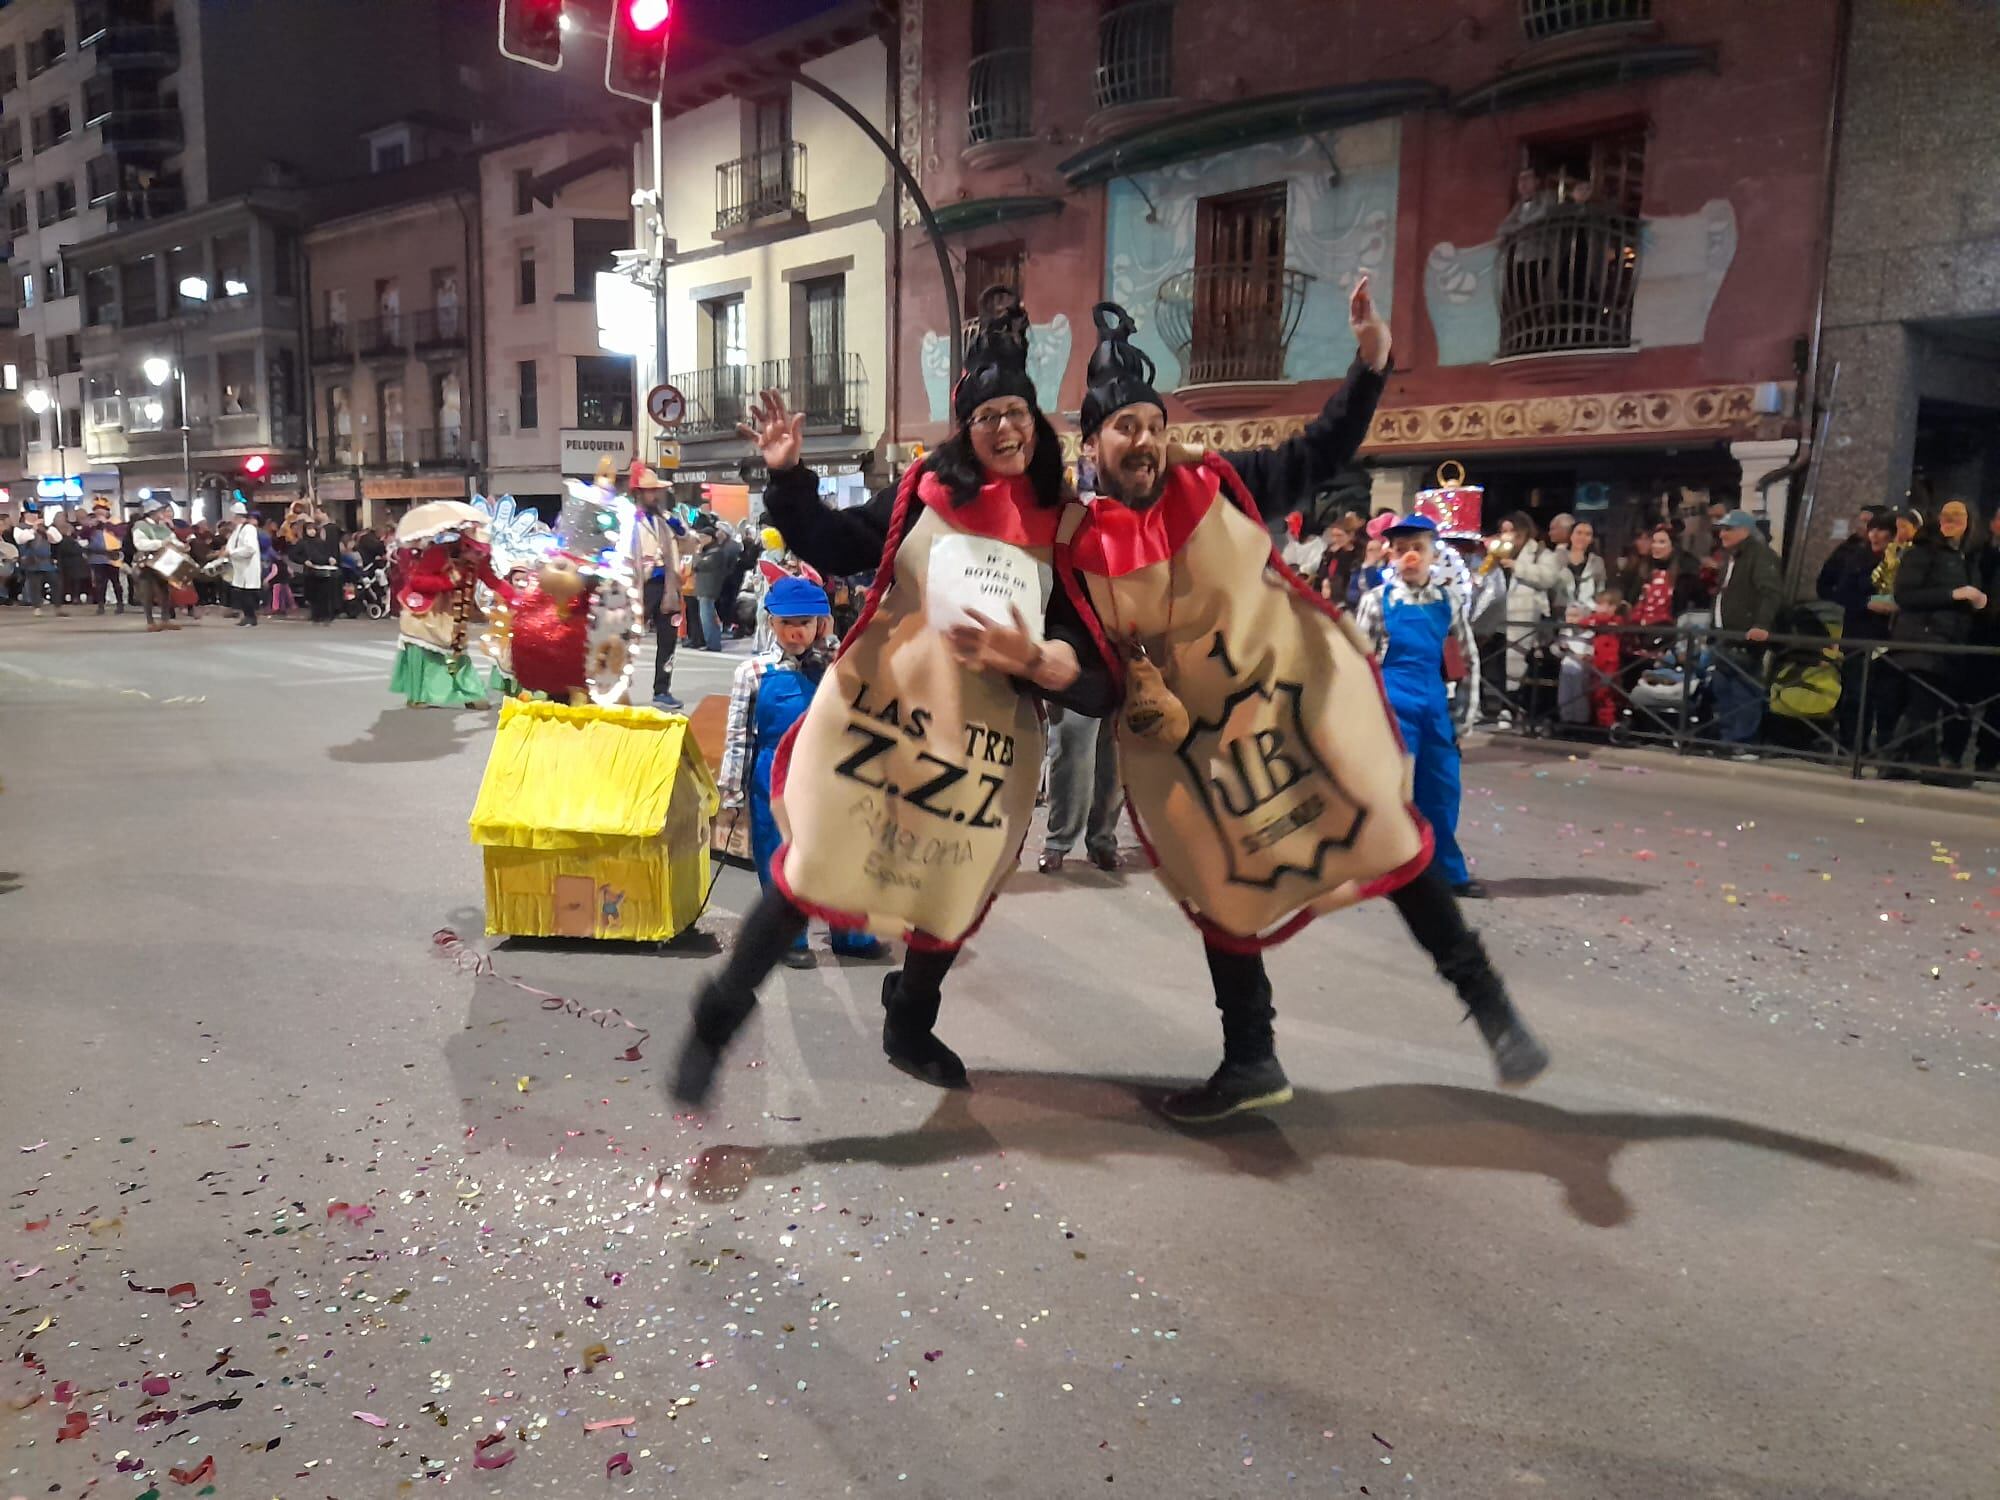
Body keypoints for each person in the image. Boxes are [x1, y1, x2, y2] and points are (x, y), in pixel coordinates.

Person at [1066, 286, 1547, 1121]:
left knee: (1384, 834)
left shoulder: (1219, 485)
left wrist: (1369, 365)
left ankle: (1491, 1004)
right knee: (1218, 887)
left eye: (1152, 425)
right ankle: (1251, 1058)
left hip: (1280, 711)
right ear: (1093, 440)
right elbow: (1084, 666)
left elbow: (1320, 451)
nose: (1142, 441)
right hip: (1190, 750)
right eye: (1124, 428)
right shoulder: (1074, 543)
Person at [672, 288, 1116, 1108]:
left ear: (1035, 419)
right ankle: (718, 1015)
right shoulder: (923, 492)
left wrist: (1045, 660)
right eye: (987, 418)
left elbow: (1098, 666)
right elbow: (837, 545)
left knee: (955, 888)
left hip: (980, 746)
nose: (1005, 430)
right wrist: (787, 476)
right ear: (966, 429)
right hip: (882, 716)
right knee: (813, 867)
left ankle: (910, 1018)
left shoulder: (1062, 522)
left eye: (1016, 412)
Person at [719, 573, 891, 968]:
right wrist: (732, 793)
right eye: (787, 623)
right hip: (771, 778)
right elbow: (739, 736)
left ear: (821, 623)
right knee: (780, 856)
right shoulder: (753, 673)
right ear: (771, 623)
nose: (796, 632)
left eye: (806, 623)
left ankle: (851, 933)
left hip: (831, 776)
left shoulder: (838, 665)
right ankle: (789, 938)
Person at [1355, 515, 1484, 894]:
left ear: (1432, 553)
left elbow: (1466, 661)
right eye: (1402, 549)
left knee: (1442, 791)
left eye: (1417, 548)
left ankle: (1448, 873)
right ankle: (1388, 870)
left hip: (1433, 706)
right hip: (1392, 710)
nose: (1410, 556)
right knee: (1392, 795)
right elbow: (1360, 664)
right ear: (1391, 555)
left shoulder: (1448, 602)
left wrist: (1462, 720)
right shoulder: (1376, 602)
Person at [1885, 500, 1986, 784]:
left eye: (1959, 515)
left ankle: (1894, 760)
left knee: (1922, 705)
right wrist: (1954, 594)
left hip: (1947, 641)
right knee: (1923, 704)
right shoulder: (1923, 551)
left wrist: (1978, 601)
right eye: (1946, 514)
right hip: (1922, 638)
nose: (1951, 520)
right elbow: (1905, 595)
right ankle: (1927, 766)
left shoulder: (1965, 556)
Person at [1709, 508, 1782, 751]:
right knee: (1723, 687)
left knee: (1744, 690)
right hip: (1725, 635)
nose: (1722, 535)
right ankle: (1728, 739)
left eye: (1728, 529)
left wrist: (1762, 624)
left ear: (1745, 531)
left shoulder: (1760, 556)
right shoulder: (1734, 557)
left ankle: (1743, 742)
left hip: (1744, 636)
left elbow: (1769, 592)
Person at [626, 466, 684, 710]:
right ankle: (616, 687)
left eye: (656, 491)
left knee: (668, 639)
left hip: (668, 586)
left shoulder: (665, 519)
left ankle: (662, 689)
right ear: (639, 493)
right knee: (627, 637)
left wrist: (670, 519)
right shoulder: (629, 518)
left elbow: (687, 537)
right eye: (650, 492)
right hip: (641, 584)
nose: (655, 496)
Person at [1039, 707, 1122, 874]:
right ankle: (1058, 841)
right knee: (1070, 739)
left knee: (1114, 752)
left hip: (1124, 682)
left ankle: (1102, 839)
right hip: (1076, 682)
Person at [1499, 511, 1569, 694]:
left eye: (1511, 532)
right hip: (1498, 619)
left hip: (1525, 617)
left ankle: (1513, 705)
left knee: (1519, 664)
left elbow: (1548, 577)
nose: (1506, 536)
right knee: (1496, 661)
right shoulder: (1497, 553)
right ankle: (1497, 704)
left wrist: (1518, 567)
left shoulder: (1541, 553)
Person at [691, 518, 739, 651]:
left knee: (708, 617)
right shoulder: (710, 551)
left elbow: (699, 564)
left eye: (702, 536)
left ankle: (713, 643)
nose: (700, 539)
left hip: (709, 589)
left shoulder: (716, 552)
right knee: (707, 616)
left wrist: (697, 552)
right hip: (704, 589)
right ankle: (711, 642)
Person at [293, 521, 342, 624]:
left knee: (324, 593)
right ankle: (315, 615)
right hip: (310, 571)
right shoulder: (302, 543)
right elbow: (293, 555)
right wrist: (304, 561)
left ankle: (325, 615)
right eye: (309, 529)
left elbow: (327, 553)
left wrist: (330, 558)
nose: (312, 531)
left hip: (323, 569)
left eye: (313, 529)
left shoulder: (321, 542)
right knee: (313, 594)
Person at [85, 499, 126, 615]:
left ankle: (120, 604)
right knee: (100, 583)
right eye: (97, 512)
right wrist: (90, 526)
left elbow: (120, 532)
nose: (99, 514)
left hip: (113, 556)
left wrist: (105, 524)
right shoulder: (92, 523)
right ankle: (100, 605)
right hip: (97, 556)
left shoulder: (115, 521)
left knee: (115, 582)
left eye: (102, 512)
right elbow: (83, 535)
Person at [225, 502, 263, 626]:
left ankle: (251, 617)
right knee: (241, 592)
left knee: (248, 594)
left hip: (248, 566)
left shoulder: (248, 529)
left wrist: (232, 553)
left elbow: (250, 549)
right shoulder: (238, 529)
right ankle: (247, 616)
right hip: (240, 567)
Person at [53, 518, 89, 615]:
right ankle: (74, 598)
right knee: (74, 582)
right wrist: (81, 549)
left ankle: (72, 597)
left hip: (68, 565)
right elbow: (72, 550)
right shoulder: (67, 540)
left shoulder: (61, 540)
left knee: (70, 583)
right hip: (73, 564)